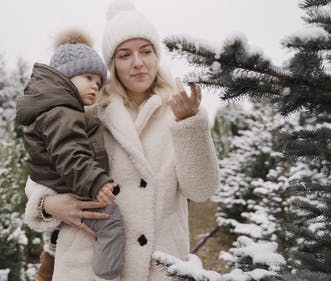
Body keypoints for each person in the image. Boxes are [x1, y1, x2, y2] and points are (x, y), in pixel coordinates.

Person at [23, 1, 220, 280]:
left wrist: (189, 124)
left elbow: (201, 190)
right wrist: (48, 204)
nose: (138, 63)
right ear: (112, 63)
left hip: (158, 268)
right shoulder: (86, 110)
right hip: (86, 267)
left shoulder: (178, 112)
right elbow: (38, 175)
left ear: (157, 55)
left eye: (146, 51)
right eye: (125, 54)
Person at [17, 29, 125, 281]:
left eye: (99, 83)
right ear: (65, 78)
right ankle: (107, 274)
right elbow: (71, 153)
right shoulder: (62, 113)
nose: (94, 87)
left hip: (66, 183)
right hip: (71, 186)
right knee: (111, 221)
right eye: (88, 77)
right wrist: (96, 181)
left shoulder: (57, 110)